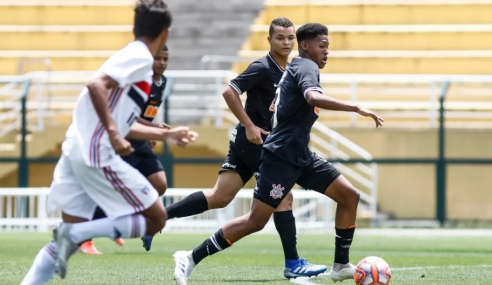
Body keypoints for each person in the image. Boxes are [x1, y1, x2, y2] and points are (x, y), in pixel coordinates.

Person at [172, 23, 384, 285]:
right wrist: (356, 107)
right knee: (254, 221)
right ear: (306, 46)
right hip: (280, 158)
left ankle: (340, 265)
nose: (327, 51)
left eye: (328, 46)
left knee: (349, 196)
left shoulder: (295, 67)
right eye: (323, 46)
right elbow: (312, 97)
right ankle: (190, 257)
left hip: (300, 155)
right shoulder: (306, 66)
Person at [20, 1, 196, 284]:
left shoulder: (134, 58)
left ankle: (68, 239)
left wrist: (164, 134)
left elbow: (123, 119)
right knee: (156, 219)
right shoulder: (141, 58)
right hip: (96, 151)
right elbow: (95, 85)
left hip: (77, 148)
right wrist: (113, 133)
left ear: (133, 28)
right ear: (166, 33)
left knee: (61, 245)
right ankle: (75, 234)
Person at [165, 17, 326, 279]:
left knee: (220, 196)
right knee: (283, 198)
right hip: (256, 142)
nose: (285, 43)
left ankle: (160, 217)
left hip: (255, 143)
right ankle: (293, 263)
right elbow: (230, 91)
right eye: (280, 38)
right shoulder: (263, 67)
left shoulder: (293, 69)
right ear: (269, 40)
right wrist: (250, 125)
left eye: (289, 38)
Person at [79, 44, 171, 254]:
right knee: (112, 189)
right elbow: (128, 114)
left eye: (166, 59)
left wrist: (149, 133)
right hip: (125, 141)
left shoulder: (162, 81)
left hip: (141, 141)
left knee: (159, 184)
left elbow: (146, 113)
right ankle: (85, 237)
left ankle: (128, 224)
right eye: (159, 59)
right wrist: (153, 129)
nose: (162, 63)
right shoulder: (141, 80)